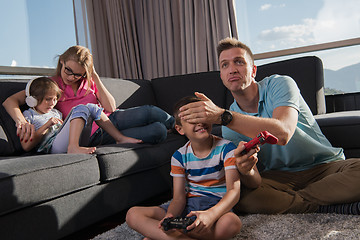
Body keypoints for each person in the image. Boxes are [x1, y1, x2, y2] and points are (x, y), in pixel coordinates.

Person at [178, 37, 360, 215]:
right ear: (222, 77)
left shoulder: (280, 84)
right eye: (225, 65)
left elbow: (283, 133)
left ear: (253, 70)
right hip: (279, 178)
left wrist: (222, 116)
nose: (232, 69)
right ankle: (326, 203)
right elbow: (255, 180)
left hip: (324, 167)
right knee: (239, 194)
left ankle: (296, 203)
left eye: (239, 62)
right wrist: (247, 170)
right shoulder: (228, 125)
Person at [126, 96, 261, 240]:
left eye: (202, 116)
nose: (200, 122)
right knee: (133, 214)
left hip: (216, 207)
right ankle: (176, 234)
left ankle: (168, 236)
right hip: (187, 208)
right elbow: (178, 198)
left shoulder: (227, 149)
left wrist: (211, 215)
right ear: (180, 129)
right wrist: (170, 217)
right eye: (191, 119)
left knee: (232, 223)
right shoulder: (178, 156)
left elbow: (233, 191)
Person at [3, 45, 174, 147]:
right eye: (67, 70)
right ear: (61, 61)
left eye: (77, 74)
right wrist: (22, 121)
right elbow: (11, 101)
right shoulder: (50, 85)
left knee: (151, 111)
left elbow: (111, 108)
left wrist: (95, 78)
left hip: (111, 118)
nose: (70, 77)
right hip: (95, 134)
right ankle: (173, 130)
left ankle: (181, 124)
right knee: (158, 131)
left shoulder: (89, 81)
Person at [21, 77, 142, 154]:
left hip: (67, 141)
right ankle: (73, 147)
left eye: (54, 99)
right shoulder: (29, 116)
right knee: (80, 108)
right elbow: (26, 146)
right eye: (48, 99)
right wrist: (47, 125)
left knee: (91, 107)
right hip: (52, 148)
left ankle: (119, 138)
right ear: (33, 100)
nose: (52, 103)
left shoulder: (55, 112)